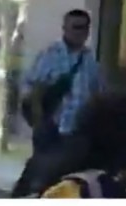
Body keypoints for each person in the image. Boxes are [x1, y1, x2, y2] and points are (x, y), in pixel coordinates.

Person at [21, 9, 102, 154]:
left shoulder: (90, 60)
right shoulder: (50, 55)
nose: (80, 32)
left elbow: (96, 94)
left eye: (84, 27)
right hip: (52, 130)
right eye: (76, 27)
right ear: (65, 28)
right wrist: (40, 125)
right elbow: (32, 89)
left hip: (78, 133)